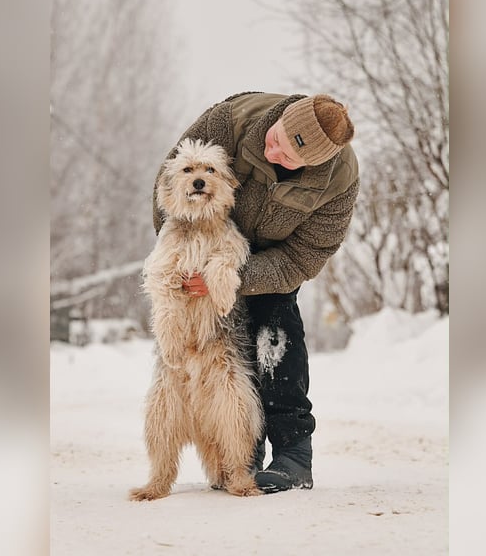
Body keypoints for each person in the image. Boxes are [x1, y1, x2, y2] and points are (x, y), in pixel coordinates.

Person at [152, 91, 359, 493]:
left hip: (270, 263)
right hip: (203, 236)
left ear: (314, 162)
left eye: (286, 154)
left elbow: (305, 257)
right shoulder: (230, 120)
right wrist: (183, 255)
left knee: (276, 338)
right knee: (219, 357)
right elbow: (168, 186)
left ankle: (292, 454)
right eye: (276, 136)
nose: (272, 148)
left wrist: (235, 276)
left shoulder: (338, 182)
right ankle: (238, 457)